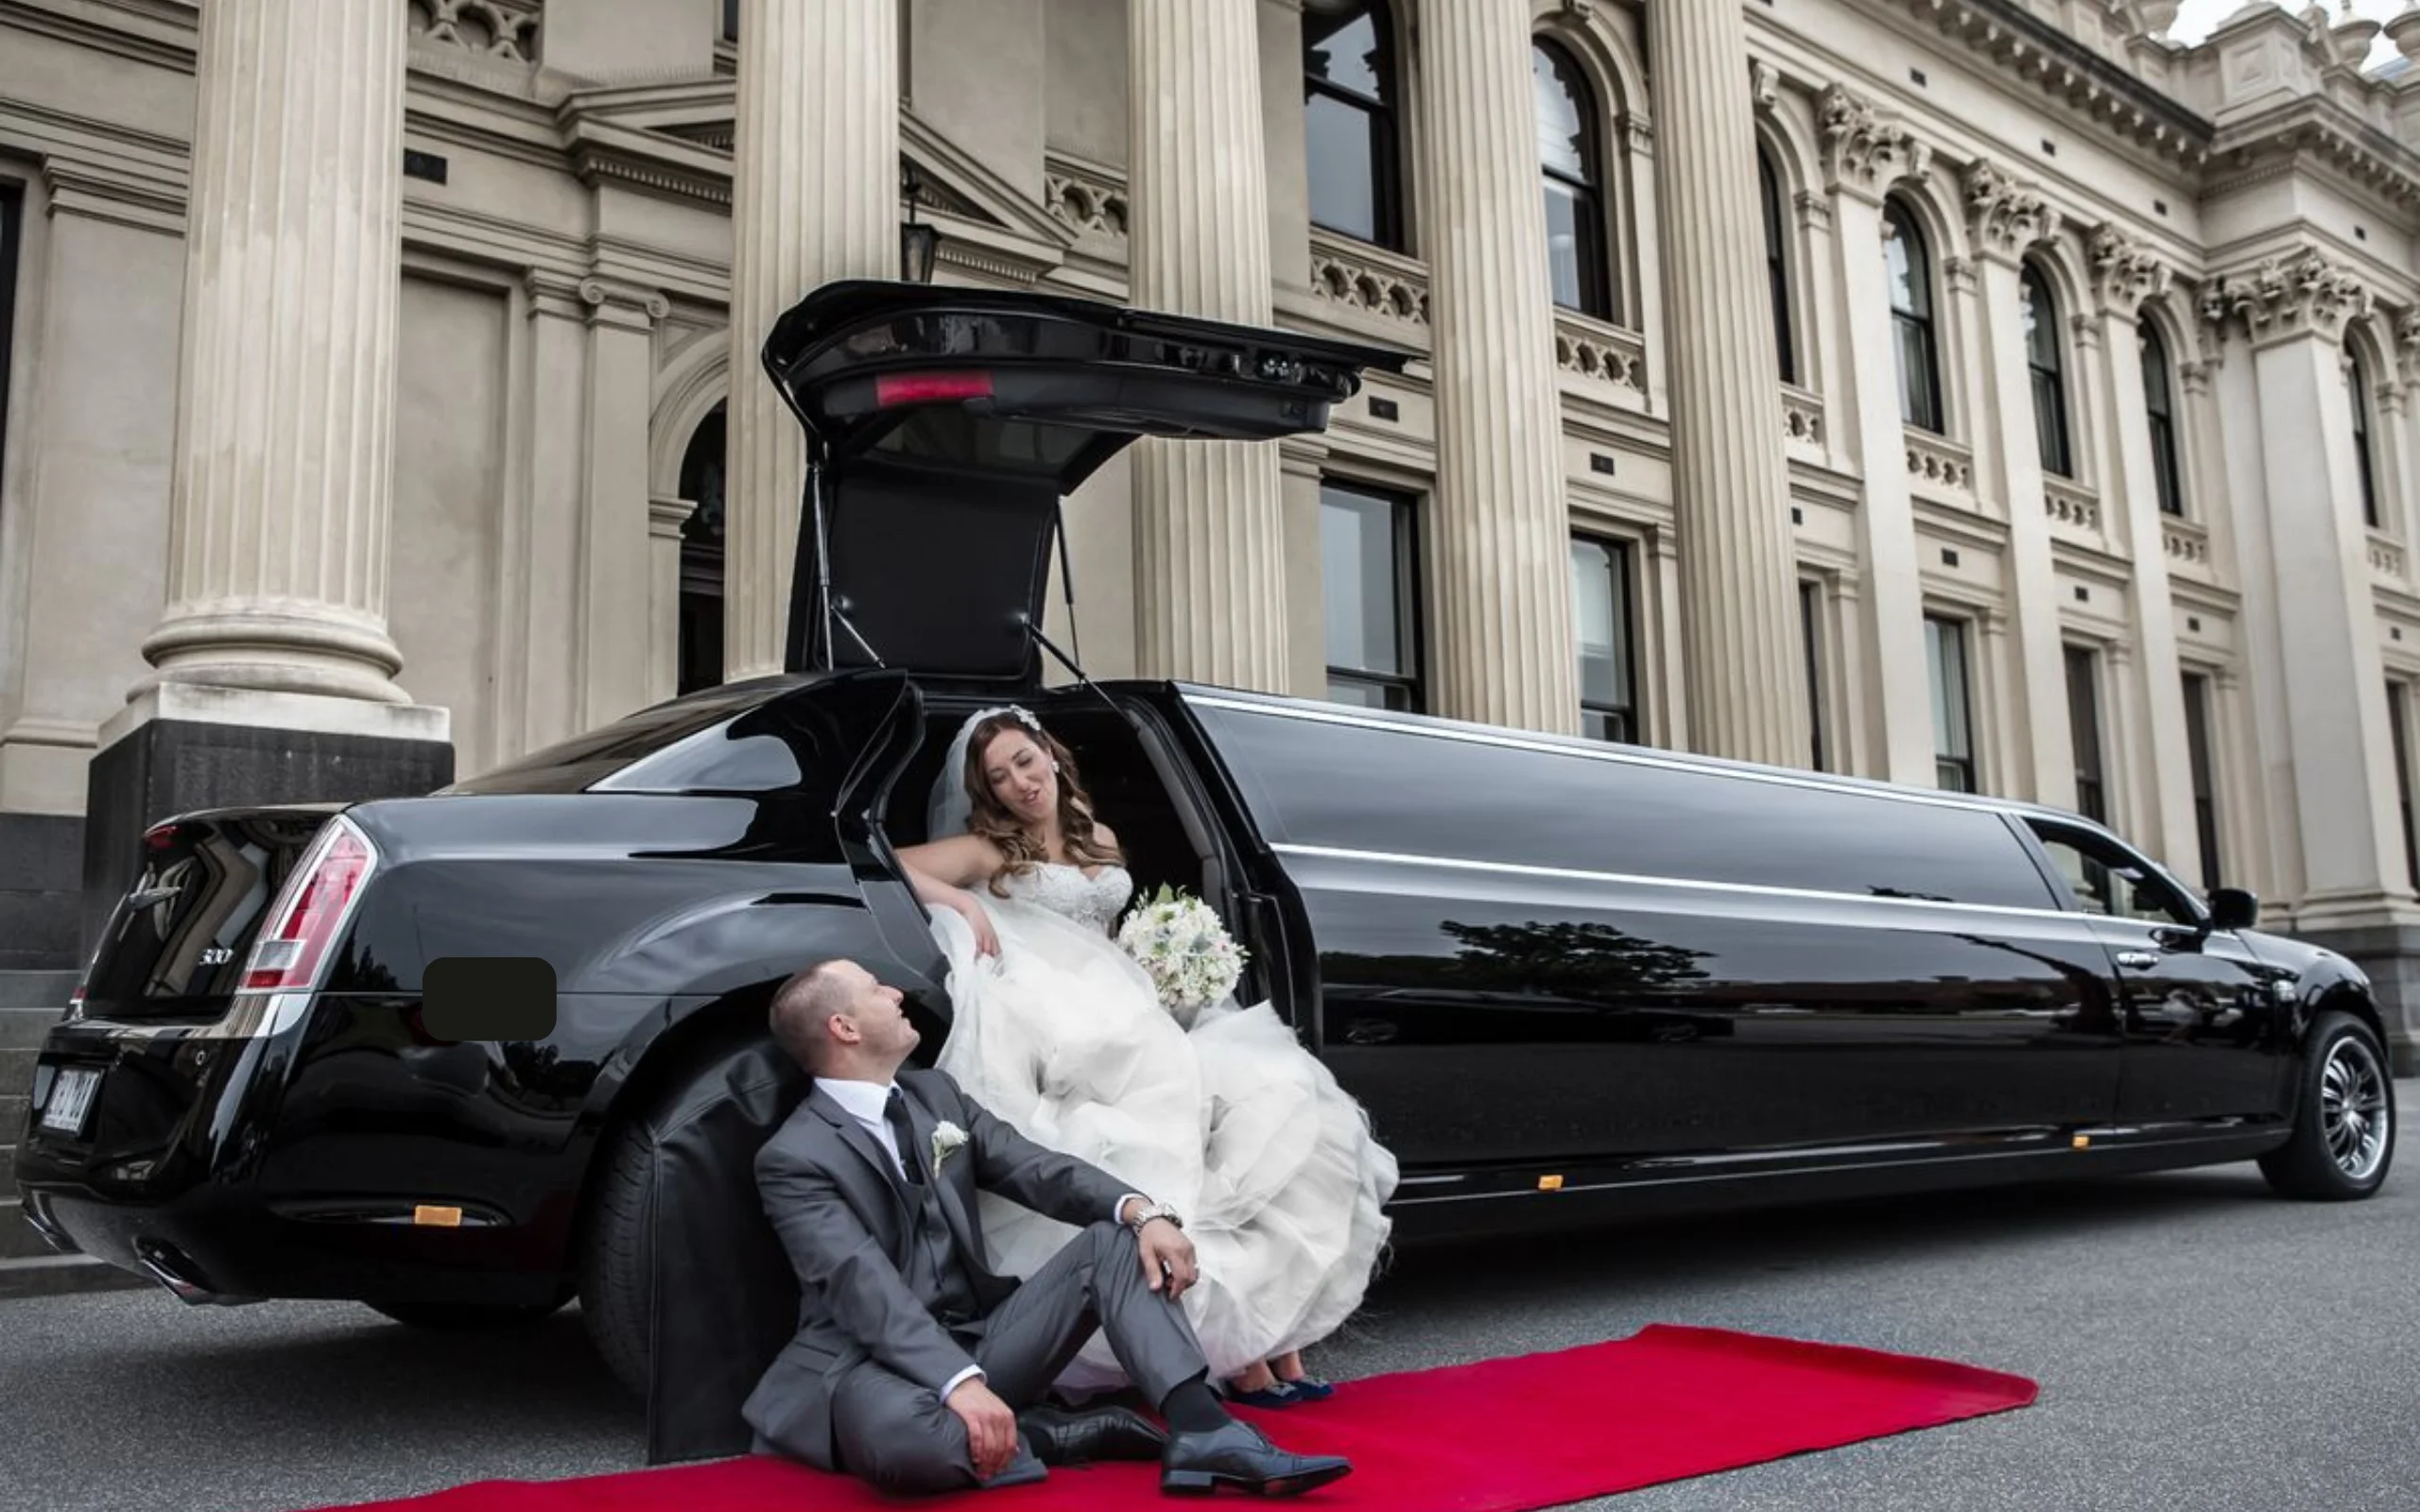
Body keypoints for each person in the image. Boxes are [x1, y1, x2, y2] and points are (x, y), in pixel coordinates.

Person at [894, 705, 1398, 1405]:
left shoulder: (1097, 836)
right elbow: (892, 865)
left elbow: (1103, 936)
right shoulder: (992, 850)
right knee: (1172, 1152)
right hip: (1069, 1026)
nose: (1019, 783)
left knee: (1273, 1098)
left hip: (1130, 1007)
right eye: (999, 776)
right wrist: (965, 904)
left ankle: (1275, 1343)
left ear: (1049, 753)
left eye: (1024, 761)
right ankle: (1240, 1360)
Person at [741, 957, 1355, 1498]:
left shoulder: (936, 1096)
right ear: (844, 1028)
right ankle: (1053, 1434)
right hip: (872, 1365)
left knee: (1116, 1241)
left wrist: (1142, 1211)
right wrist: (957, 1382)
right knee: (907, 1448)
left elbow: (1035, 1168)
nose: (896, 994)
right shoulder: (795, 1157)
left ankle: (1206, 1432)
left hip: (984, 1338)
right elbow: (861, 1289)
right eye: (876, 989)